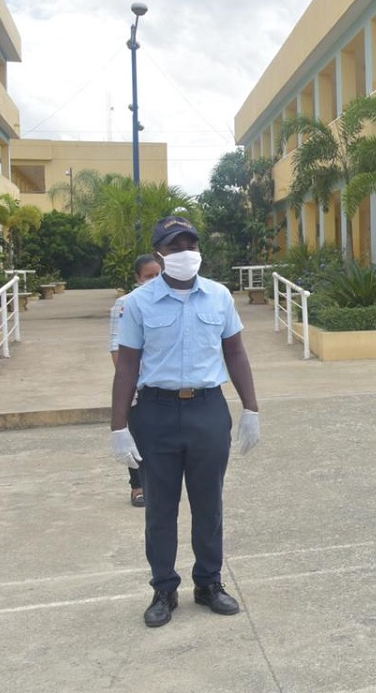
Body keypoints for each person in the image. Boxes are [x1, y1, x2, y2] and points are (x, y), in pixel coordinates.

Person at [109, 215, 262, 628]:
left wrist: (250, 408)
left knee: (208, 504)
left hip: (207, 410)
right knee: (160, 508)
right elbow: (126, 367)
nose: (185, 253)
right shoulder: (138, 303)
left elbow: (236, 354)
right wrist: (118, 425)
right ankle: (164, 588)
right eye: (175, 247)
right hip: (155, 414)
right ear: (160, 253)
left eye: (190, 245)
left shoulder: (219, 297)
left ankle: (209, 583)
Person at [109, 253, 162, 507]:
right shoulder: (125, 303)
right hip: (137, 382)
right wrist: (131, 382)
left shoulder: (170, 301)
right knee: (137, 436)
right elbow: (116, 348)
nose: (154, 280)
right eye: (148, 276)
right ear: (137, 278)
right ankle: (137, 486)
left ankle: (159, 483)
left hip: (162, 381)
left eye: (158, 275)